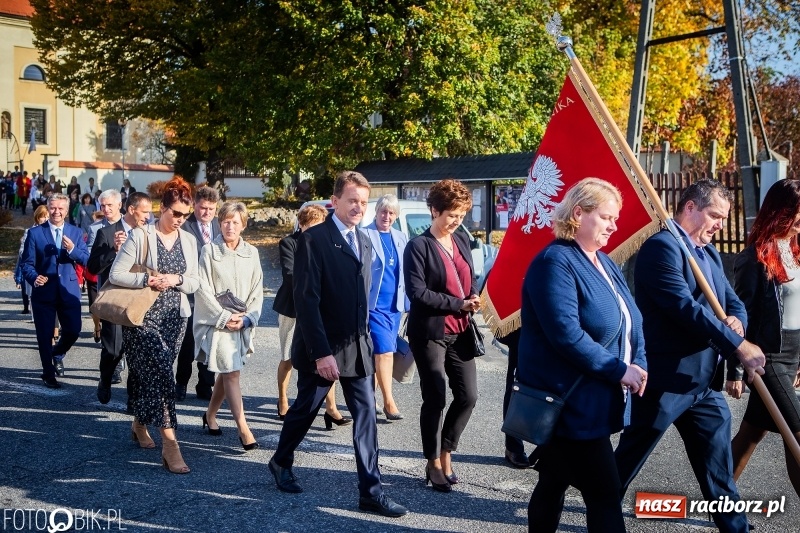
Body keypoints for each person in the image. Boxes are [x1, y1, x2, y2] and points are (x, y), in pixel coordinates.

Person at [614, 178, 766, 532]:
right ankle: (601, 508)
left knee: (716, 460)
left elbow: (733, 303)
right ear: (690, 208)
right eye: (715, 214)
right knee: (629, 456)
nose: (720, 224)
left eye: (724, 218)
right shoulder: (662, 248)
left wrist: (737, 325)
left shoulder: (709, 253)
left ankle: (734, 526)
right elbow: (683, 308)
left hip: (702, 383)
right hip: (665, 379)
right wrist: (736, 345)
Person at [268, 171, 408, 518]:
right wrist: (321, 353)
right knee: (305, 410)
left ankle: (371, 493)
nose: (359, 207)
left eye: (363, 202)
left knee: (366, 418)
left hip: (356, 345)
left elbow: (362, 296)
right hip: (324, 348)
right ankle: (281, 459)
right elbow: (306, 301)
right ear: (334, 202)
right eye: (352, 201)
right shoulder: (313, 240)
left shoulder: (363, 239)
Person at [518, 178, 647, 532]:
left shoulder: (604, 261)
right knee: (605, 494)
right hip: (567, 403)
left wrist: (639, 362)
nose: (614, 225)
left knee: (553, 481)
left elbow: (631, 320)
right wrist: (619, 370)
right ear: (579, 213)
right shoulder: (554, 262)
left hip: (593, 400)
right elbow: (567, 335)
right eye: (607, 217)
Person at [109, 177, 199, 474]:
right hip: (143, 317)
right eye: (176, 213)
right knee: (162, 376)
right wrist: (147, 279)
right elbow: (117, 273)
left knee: (156, 376)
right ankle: (171, 446)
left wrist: (177, 279)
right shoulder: (141, 236)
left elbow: (196, 281)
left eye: (186, 215)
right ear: (163, 208)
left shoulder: (189, 240)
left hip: (176, 318)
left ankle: (138, 423)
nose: (180, 220)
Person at [403, 178, 480, 492]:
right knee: (435, 396)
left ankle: (447, 451)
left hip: (461, 332)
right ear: (433, 210)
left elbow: (469, 277)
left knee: (468, 396)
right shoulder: (418, 246)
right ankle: (432, 461)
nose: (457, 220)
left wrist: (472, 297)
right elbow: (417, 293)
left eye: (461, 214)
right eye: (451, 214)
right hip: (430, 333)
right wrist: (458, 303)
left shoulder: (461, 239)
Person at [730, 178, 800, 497]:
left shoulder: (797, 251)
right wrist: (735, 372)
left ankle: (719, 498)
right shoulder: (753, 260)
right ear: (782, 212)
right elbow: (739, 318)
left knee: (751, 435)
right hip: (767, 359)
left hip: (793, 355)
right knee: (796, 432)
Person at [273, 204, 352, 428]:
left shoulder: (328, 243)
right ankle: (282, 399)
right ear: (302, 225)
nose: (316, 232)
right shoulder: (289, 242)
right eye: (311, 226)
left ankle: (331, 408)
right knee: (288, 357)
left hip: (320, 310)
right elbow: (290, 274)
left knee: (327, 357)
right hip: (293, 308)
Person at [194, 202, 263, 450]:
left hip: (241, 323)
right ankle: (244, 429)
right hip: (218, 322)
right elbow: (203, 289)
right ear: (219, 223)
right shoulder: (209, 251)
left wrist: (246, 319)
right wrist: (224, 317)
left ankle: (210, 415)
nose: (230, 226)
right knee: (232, 373)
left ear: (243, 225)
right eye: (225, 221)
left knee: (227, 371)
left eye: (235, 222)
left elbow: (257, 291)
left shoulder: (252, 253)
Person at [88, 190, 151, 406]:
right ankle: (105, 379)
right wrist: (114, 251)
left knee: (136, 352)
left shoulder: (147, 232)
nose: (148, 217)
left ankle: (133, 398)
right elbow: (93, 267)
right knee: (113, 349)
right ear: (132, 210)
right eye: (145, 212)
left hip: (138, 300)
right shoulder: (106, 233)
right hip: (115, 299)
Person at [20, 193, 89, 388]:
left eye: (60, 208)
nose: (56, 211)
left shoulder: (75, 232)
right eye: (53, 208)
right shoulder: (35, 233)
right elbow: (27, 264)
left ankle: (57, 353)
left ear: (67, 211)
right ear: (48, 208)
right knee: (44, 334)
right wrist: (34, 277)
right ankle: (48, 373)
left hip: (69, 290)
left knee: (74, 330)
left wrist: (73, 250)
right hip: (44, 292)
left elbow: (86, 259)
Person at [362, 194, 409, 420]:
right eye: (383, 212)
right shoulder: (365, 235)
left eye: (391, 213)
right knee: (385, 352)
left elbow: (406, 273)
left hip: (395, 306)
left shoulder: (401, 237)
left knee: (379, 354)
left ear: (396, 216)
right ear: (376, 212)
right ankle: (389, 402)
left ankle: (371, 398)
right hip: (374, 305)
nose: (387, 216)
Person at [175, 186, 220, 401]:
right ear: (195, 205)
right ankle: (181, 383)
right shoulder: (185, 226)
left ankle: (205, 384)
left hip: (213, 294)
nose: (207, 213)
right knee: (188, 342)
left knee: (210, 341)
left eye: (211, 209)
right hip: (191, 293)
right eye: (203, 208)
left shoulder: (220, 226)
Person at [14, 205, 50, 315]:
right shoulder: (29, 231)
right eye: (42, 217)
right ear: (37, 217)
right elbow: (22, 251)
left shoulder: (52, 230)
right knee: (33, 294)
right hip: (33, 267)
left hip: (48, 267)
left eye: (47, 217)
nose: (45, 219)